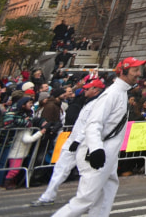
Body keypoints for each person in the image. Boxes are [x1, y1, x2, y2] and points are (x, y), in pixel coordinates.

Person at [50, 57, 145, 217]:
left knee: (105, 194)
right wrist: (96, 150)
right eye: (135, 70)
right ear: (123, 72)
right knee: (85, 200)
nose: (139, 74)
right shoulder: (112, 94)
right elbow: (93, 123)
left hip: (108, 154)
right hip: (98, 154)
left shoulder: (120, 92)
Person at [30, 79, 106, 207]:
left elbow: (91, 124)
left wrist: (77, 140)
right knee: (61, 167)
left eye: (88, 88)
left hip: (84, 142)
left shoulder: (98, 104)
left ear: (96, 90)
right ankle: (48, 195)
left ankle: (88, 198)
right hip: (74, 140)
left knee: (87, 172)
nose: (85, 90)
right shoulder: (86, 101)